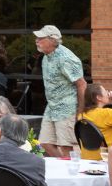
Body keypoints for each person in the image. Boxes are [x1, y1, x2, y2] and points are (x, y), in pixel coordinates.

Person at [34, 25, 87, 158]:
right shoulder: (46, 57)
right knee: (45, 143)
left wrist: (81, 112)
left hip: (67, 108)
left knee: (66, 146)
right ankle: (64, 163)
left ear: (52, 40)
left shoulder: (66, 58)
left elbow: (81, 84)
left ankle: (71, 167)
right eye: (37, 38)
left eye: (40, 38)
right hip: (52, 107)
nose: (36, 40)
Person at [78, 84, 112, 161]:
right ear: (99, 97)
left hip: (87, 158)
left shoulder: (81, 116)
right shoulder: (106, 114)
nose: (108, 92)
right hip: (107, 158)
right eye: (105, 91)